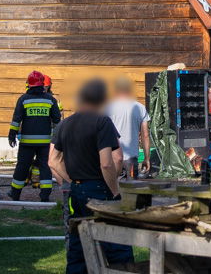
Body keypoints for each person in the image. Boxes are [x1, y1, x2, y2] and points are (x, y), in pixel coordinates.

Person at [49, 79, 133, 274]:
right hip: (99, 189)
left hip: (76, 192)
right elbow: (108, 161)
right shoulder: (102, 122)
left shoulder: (65, 124)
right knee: (116, 242)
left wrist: (71, 181)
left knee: (79, 243)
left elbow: (53, 161)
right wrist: (114, 191)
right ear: (101, 99)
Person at [8, 70, 61, 202]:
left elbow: (16, 120)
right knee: (45, 167)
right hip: (45, 143)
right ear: (42, 84)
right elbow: (57, 121)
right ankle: (45, 195)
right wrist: (58, 139)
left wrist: (12, 135)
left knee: (22, 167)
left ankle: (15, 194)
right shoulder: (50, 100)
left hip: (27, 143)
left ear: (29, 85)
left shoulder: (23, 99)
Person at [107, 77, 151, 178]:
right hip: (131, 159)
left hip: (113, 158)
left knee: (114, 189)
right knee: (131, 190)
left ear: (116, 90)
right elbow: (145, 135)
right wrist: (146, 158)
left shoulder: (108, 108)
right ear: (129, 90)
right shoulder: (140, 107)